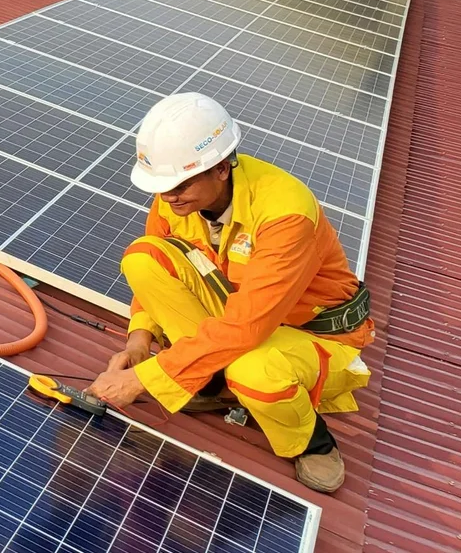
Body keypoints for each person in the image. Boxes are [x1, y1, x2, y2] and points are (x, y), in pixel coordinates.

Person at [87, 92, 374, 493]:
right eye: (162, 185)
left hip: (313, 336)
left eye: (179, 184)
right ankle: (206, 380)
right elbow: (159, 273)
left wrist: (144, 379)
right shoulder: (175, 199)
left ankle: (311, 441)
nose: (168, 196)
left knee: (253, 369)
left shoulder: (285, 214)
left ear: (221, 168)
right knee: (143, 257)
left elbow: (247, 325)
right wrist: (139, 340)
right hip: (241, 317)